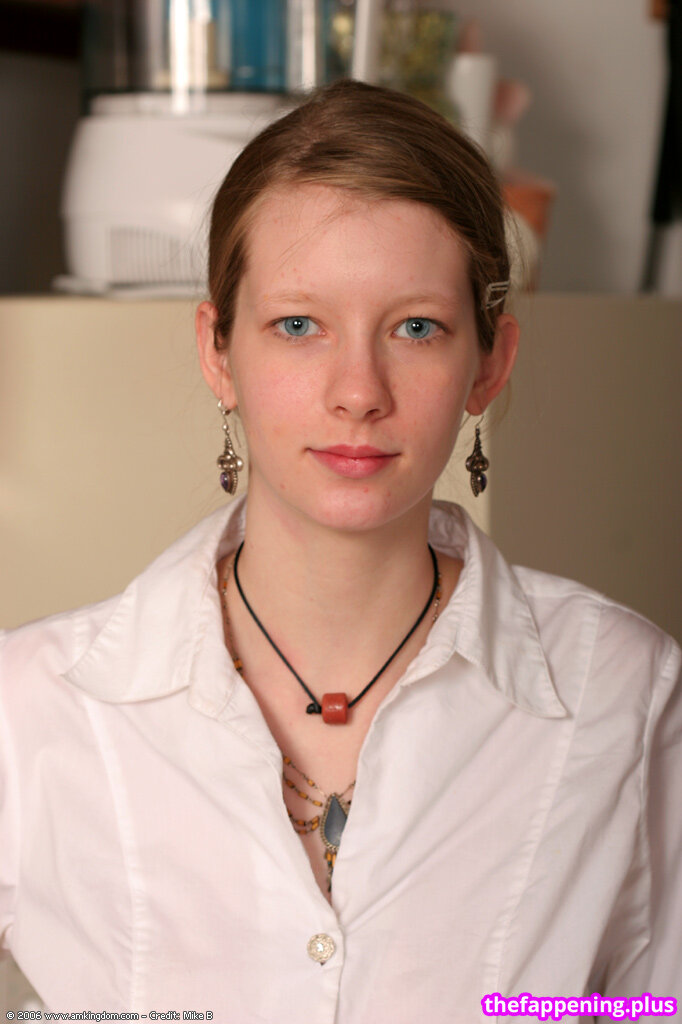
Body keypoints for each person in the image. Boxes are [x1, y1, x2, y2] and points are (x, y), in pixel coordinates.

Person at [0, 78, 680, 1023]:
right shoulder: (30, 711)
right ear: (218, 350)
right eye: (298, 325)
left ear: (489, 362)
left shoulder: (623, 692)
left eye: (416, 328)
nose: (358, 391)